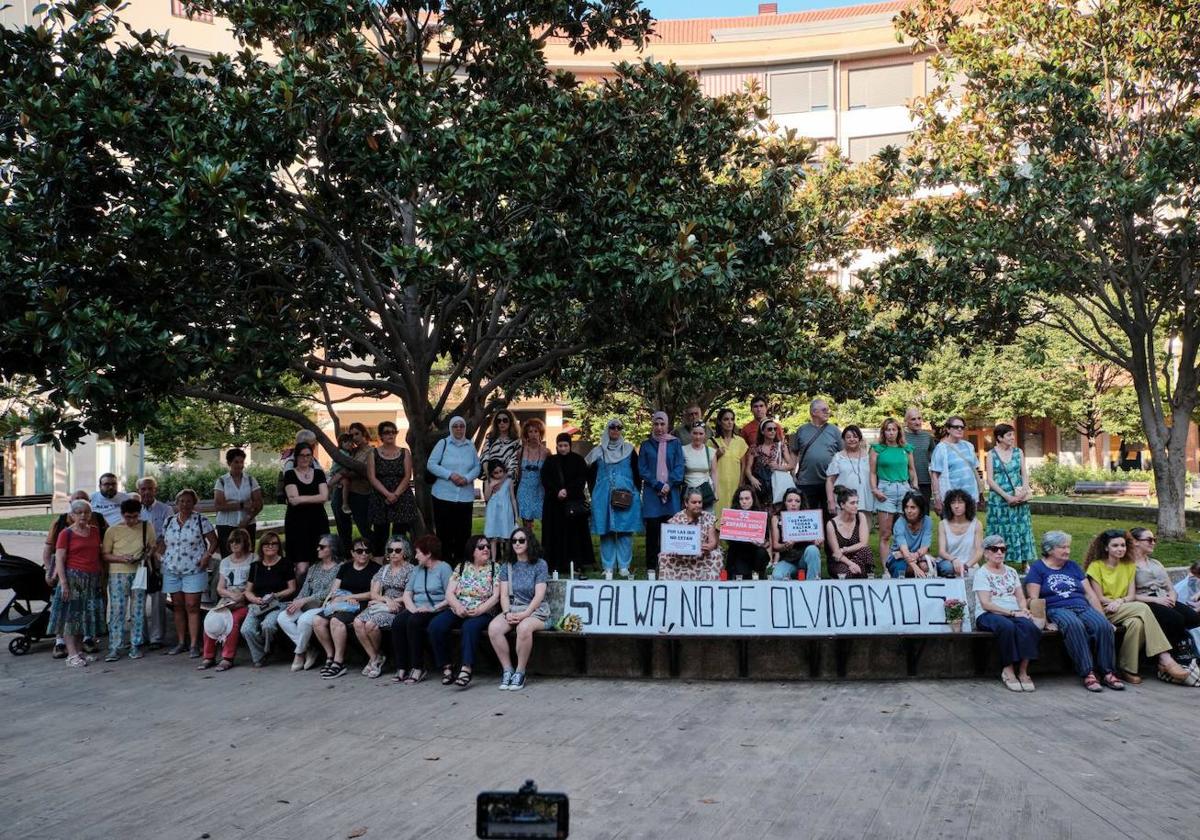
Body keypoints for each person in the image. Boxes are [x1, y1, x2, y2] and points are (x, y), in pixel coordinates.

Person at [1083, 529, 1190, 685]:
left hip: (1123, 606)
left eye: (1123, 545)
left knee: (1136, 624)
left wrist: (1120, 601)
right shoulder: (1096, 566)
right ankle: (1164, 657)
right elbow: (1099, 598)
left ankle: (1127, 668)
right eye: (1115, 546)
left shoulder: (1128, 565)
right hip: (1103, 610)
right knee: (1143, 608)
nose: (1120, 549)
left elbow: (1131, 595)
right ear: (1106, 548)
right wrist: (1117, 602)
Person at [1025, 530, 1122, 692]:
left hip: (1082, 606)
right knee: (1073, 625)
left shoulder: (1073, 566)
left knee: (1102, 627)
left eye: (1068, 547)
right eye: (1062, 547)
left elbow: (1090, 595)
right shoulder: (1037, 568)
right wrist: (1046, 623)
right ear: (1049, 549)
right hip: (1057, 608)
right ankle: (1088, 673)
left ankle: (1108, 672)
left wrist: (1104, 618)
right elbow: (1034, 599)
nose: (1067, 551)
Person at [428, 535, 501, 689]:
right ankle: (447, 666)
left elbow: (496, 596)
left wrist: (480, 609)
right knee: (435, 626)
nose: (486, 549)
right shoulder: (461, 567)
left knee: (469, 627)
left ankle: (466, 668)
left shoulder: (495, 568)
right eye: (481, 547)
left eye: (487, 546)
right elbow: (449, 593)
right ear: (472, 550)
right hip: (459, 608)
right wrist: (458, 607)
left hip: (483, 611)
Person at [43, 490, 107, 658]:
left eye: (86, 512)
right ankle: (72, 655)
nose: (83, 516)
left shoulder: (94, 531)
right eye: (78, 513)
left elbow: (98, 554)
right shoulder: (66, 533)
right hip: (73, 580)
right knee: (70, 619)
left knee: (83, 619)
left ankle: (79, 652)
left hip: (91, 580)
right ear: (72, 515)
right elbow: (59, 558)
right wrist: (63, 583)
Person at [972, 534, 1040, 692]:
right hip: (988, 614)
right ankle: (1008, 669)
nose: (999, 552)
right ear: (986, 553)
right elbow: (986, 604)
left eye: (1003, 549)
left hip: (1014, 612)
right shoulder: (982, 573)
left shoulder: (1011, 572)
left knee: (1029, 627)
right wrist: (1012, 613)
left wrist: (1023, 609)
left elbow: (1020, 597)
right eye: (995, 549)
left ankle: (1023, 671)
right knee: (1007, 627)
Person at [487, 527, 551, 691]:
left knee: (523, 628)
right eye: (514, 541)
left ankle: (520, 672)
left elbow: (539, 595)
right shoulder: (507, 565)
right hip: (513, 609)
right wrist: (507, 613)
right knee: (494, 628)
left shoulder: (540, 564)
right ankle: (507, 669)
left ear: (529, 542)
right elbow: (503, 595)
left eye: (521, 540)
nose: (517, 543)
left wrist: (525, 614)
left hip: (535, 610)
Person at [159, 489, 217, 657]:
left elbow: (213, 541)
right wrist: (158, 555)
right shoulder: (169, 521)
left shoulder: (201, 520)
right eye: (182, 501)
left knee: (192, 606)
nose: (185, 504)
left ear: (194, 503)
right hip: (172, 569)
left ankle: (193, 644)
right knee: (177, 606)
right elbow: (164, 542)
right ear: (177, 503)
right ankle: (181, 642)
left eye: (188, 501)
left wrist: (207, 556)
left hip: (194, 569)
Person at [311, 536, 379, 679]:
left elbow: (373, 593)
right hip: (341, 603)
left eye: (367, 551)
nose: (364, 554)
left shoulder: (375, 568)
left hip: (359, 604)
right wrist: (335, 598)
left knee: (336, 621)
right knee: (317, 620)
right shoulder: (345, 567)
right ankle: (329, 656)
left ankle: (339, 661)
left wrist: (351, 597)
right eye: (359, 551)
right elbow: (335, 589)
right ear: (352, 553)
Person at [1127, 528, 1200, 661]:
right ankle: (1167, 657)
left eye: (1154, 540)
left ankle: (1185, 650)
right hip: (1143, 601)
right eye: (1149, 540)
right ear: (1135, 542)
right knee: (1175, 619)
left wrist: (1172, 597)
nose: (1153, 543)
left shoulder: (1156, 563)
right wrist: (1158, 601)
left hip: (1164, 598)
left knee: (1193, 617)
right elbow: (1129, 595)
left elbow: (1170, 588)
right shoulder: (1127, 565)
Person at [390, 534, 453, 684]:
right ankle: (401, 667)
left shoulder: (444, 568)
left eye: (418, 552)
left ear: (428, 553)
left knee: (414, 622)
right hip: (417, 608)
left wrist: (432, 608)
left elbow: (450, 595)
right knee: (398, 622)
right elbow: (407, 593)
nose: (416, 556)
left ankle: (418, 667)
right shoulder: (418, 569)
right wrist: (412, 609)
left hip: (437, 608)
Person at [278, 532, 343, 672]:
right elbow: (306, 587)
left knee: (303, 620)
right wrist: (297, 601)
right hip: (307, 604)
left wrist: (304, 600)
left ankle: (299, 654)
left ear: (331, 549)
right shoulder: (314, 568)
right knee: (283, 617)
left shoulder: (339, 568)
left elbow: (329, 592)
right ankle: (308, 649)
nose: (317, 549)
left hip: (324, 605)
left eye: (322, 547)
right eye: (318, 547)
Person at [586, 419, 642, 577]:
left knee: (625, 531)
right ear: (607, 430)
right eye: (612, 427)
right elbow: (589, 474)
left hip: (627, 495)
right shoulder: (598, 451)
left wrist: (634, 491)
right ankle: (608, 567)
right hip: (603, 497)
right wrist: (595, 493)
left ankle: (624, 566)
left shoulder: (629, 450)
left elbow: (637, 473)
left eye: (619, 427)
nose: (615, 430)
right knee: (606, 531)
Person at [100, 498, 155, 662]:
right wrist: (121, 558)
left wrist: (147, 554)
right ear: (122, 514)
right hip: (118, 573)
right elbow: (105, 554)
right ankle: (114, 646)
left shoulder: (147, 526)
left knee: (138, 610)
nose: (132, 520)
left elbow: (153, 546)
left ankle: (135, 645)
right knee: (117, 611)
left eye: (135, 516)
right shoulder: (113, 530)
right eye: (128, 517)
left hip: (139, 572)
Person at [196, 527, 256, 672]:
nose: (234, 545)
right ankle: (208, 656)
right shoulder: (225, 562)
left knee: (233, 621)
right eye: (232, 542)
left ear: (245, 543)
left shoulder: (253, 559)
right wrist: (230, 595)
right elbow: (220, 588)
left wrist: (242, 595)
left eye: (238, 542)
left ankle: (227, 657)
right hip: (228, 598)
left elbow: (254, 583)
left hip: (245, 598)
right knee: (211, 618)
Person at [353, 536, 413, 678]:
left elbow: (410, 594)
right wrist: (386, 599)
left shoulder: (411, 570)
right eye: (390, 550)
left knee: (370, 625)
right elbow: (373, 593)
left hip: (400, 606)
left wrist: (392, 601)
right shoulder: (384, 569)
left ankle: (375, 660)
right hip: (383, 604)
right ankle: (375, 657)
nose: (393, 553)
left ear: (404, 552)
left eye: (397, 550)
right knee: (357, 622)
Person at [210, 448, 263, 604]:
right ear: (229, 463)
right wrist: (241, 505)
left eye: (241, 462)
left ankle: (248, 591)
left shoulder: (251, 480)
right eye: (236, 462)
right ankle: (226, 594)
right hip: (226, 524)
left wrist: (247, 519)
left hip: (247, 524)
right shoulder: (221, 481)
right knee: (229, 559)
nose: (239, 465)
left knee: (247, 556)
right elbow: (219, 505)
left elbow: (258, 503)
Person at [427, 416, 481, 566]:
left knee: (463, 533)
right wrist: (450, 475)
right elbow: (431, 464)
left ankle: (461, 565)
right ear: (451, 428)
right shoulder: (443, 443)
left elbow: (477, 467)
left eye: (461, 426)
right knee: (444, 533)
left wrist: (467, 478)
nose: (458, 429)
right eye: (455, 426)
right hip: (443, 496)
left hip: (464, 497)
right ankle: (444, 566)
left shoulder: (470, 446)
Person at [241, 531, 298, 668]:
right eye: (266, 543)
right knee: (246, 629)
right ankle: (260, 654)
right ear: (261, 547)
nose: (270, 546)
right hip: (258, 604)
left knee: (268, 626)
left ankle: (265, 651)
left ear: (279, 546)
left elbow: (292, 588)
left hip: (277, 603)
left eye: (274, 543)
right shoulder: (255, 566)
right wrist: (254, 599)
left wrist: (275, 595)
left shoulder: (285, 563)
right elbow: (247, 591)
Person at [541, 433, 594, 575]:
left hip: (573, 506)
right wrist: (557, 491)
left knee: (574, 536)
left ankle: (576, 563)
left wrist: (567, 491)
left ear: (570, 446)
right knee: (555, 535)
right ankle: (555, 564)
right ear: (556, 446)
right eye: (560, 446)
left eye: (565, 446)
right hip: (554, 506)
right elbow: (545, 479)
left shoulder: (578, 460)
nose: (563, 449)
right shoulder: (551, 461)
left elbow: (581, 479)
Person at [984, 423, 1035, 567]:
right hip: (999, 499)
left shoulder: (1018, 452)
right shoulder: (991, 454)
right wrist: (1007, 497)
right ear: (999, 438)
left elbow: (1023, 473)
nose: (1012, 438)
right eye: (1009, 435)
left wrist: (1024, 490)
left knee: (1021, 527)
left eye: (1012, 434)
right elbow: (990, 479)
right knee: (1000, 530)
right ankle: (999, 561)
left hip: (1019, 497)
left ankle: (1025, 561)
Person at [639, 412, 684, 571]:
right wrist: (658, 485)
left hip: (671, 494)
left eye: (662, 424)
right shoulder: (646, 445)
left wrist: (669, 484)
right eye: (656, 424)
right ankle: (651, 567)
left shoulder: (675, 443)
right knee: (652, 532)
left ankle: (669, 566)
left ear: (667, 425)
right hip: (653, 494)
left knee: (670, 532)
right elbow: (642, 469)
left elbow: (680, 467)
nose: (659, 428)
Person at [869, 418, 916, 570]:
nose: (891, 433)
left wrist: (913, 486)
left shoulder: (906, 449)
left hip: (904, 489)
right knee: (885, 533)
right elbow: (872, 472)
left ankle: (908, 566)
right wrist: (875, 490)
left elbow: (911, 469)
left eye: (893, 429)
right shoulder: (877, 449)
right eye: (887, 430)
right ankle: (886, 569)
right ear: (884, 432)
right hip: (886, 490)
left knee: (906, 530)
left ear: (898, 431)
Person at [366, 420, 417, 559]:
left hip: (402, 497)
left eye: (393, 431)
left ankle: (399, 563)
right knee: (380, 533)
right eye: (387, 432)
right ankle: (379, 563)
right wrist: (387, 494)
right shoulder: (373, 453)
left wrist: (395, 494)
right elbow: (372, 477)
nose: (390, 434)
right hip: (380, 496)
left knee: (399, 533)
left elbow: (407, 475)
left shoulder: (404, 452)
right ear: (381, 436)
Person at [282, 441, 330, 584]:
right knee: (301, 567)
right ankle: (297, 595)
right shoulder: (290, 474)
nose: (305, 458)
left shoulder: (319, 473)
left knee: (320, 562)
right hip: (297, 524)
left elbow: (324, 497)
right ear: (296, 457)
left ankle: (316, 594)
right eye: (302, 455)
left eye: (308, 455)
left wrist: (301, 498)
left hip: (318, 522)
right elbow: (293, 500)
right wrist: (315, 498)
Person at [137, 477, 173, 650]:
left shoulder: (166, 510)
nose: (146, 492)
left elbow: (168, 535)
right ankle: (140, 636)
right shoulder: (135, 510)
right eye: (143, 489)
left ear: (155, 490)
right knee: (138, 598)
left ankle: (156, 637)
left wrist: (156, 554)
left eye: (149, 489)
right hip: (138, 560)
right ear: (139, 491)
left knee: (158, 599)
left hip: (159, 558)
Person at [658, 489, 724, 581]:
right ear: (686, 503)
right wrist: (672, 549)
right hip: (681, 555)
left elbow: (713, 541)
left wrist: (709, 546)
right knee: (664, 556)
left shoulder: (708, 517)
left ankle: (710, 589)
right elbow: (669, 542)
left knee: (716, 554)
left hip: (702, 553)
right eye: (694, 502)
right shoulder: (677, 518)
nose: (697, 505)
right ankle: (671, 590)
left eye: (699, 502)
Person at [789, 399, 842, 512]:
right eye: (824, 410)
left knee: (829, 516)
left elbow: (844, 453)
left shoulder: (834, 430)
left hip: (829, 482)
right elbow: (794, 452)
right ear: (813, 412)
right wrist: (792, 473)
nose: (827, 412)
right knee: (807, 516)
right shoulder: (802, 430)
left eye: (827, 409)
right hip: (806, 482)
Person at [886, 492, 948, 579]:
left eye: (913, 507)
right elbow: (904, 550)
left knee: (925, 566)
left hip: (918, 556)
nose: (909, 511)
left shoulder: (927, 521)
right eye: (906, 507)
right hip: (899, 556)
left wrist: (916, 556)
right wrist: (915, 567)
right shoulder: (899, 523)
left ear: (920, 509)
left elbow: (925, 546)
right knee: (902, 569)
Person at [929, 416, 980, 514]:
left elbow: (974, 470)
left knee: (970, 527)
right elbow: (934, 476)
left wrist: (980, 492)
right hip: (952, 499)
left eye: (962, 427)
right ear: (948, 429)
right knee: (952, 528)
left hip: (971, 497)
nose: (960, 429)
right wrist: (937, 499)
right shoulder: (941, 448)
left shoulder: (969, 446)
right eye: (956, 427)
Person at [771, 488, 823, 580]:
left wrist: (818, 542)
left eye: (797, 501)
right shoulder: (777, 518)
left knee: (813, 549)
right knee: (777, 576)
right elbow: (775, 546)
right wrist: (786, 546)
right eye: (790, 501)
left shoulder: (810, 517)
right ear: (785, 503)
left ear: (801, 503)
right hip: (788, 559)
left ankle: (813, 587)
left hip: (805, 557)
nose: (793, 504)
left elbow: (819, 543)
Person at [825, 425, 873, 519]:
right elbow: (830, 480)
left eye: (855, 437)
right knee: (844, 531)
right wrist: (830, 501)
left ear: (859, 438)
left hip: (865, 501)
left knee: (864, 531)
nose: (852, 439)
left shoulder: (868, 457)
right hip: (844, 502)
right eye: (848, 437)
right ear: (843, 439)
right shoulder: (838, 457)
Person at [826, 487, 874, 578]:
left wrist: (845, 549)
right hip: (840, 560)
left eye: (857, 502)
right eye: (852, 503)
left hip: (857, 556)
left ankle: (867, 580)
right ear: (842, 505)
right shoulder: (832, 524)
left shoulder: (860, 517)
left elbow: (863, 543)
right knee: (848, 573)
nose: (856, 506)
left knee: (866, 550)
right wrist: (851, 564)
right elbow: (836, 553)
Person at [745, 419, 793, 508]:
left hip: (776, 483)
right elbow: (748, 468)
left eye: (775, 429)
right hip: (760, 484)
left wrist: (778, 467)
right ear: (762, 431)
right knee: (760, 509)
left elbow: (791, 465)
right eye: (770, 429)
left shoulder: (781, 446)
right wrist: (752, 478)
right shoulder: (755, 448)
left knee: (776, 508)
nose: (773, 431)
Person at [712, 408, 749, 520]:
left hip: (735, 483)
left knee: (735, 516)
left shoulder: (740, 441)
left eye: (732, 419)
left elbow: (744, 465)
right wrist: (717, 455)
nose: (730, 422)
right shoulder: (712, 441)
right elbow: (708, 465)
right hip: (718, 485)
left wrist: (741, 483)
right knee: (718, 516)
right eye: (726, 419)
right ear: (719, 421)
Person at [725, 487, 770, 580]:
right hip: (738, 552)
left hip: (755, 552)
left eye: (747, 498)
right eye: (741, 499)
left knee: (762, 552)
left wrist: (762, 543)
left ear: (753, 499)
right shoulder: (732, 516)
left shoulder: (761, 516)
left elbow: (767, 541)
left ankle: (760, 577)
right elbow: (728, 540)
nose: (744, 502)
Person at [937, 489, 982, 577]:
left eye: (960, 502)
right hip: (949, 562)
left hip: (969, 564)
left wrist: (966, 566)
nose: (956, 506)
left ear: (967, 505)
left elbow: (979, 552)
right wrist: (954, 560)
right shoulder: (942, 524)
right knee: (948, 567)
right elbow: (941, 552)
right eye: (953, 503)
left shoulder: (976, 524)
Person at [515, 418, 549, 531]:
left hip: (540, 489)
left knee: (546, 522)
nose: (533, 434)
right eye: (530, 431)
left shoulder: (546, 452)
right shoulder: (520, 451)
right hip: (524, 489)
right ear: (526, 434)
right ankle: (529, 547)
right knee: (527, 526)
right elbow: (517, 471)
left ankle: (546, 547)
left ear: (540, 433)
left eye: (536, 431)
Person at [483, 459, 518, 557]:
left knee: (507, 536)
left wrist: (516, 514)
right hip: (493, 511)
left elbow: (513, 498)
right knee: (493, 537)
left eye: (500, 471)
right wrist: (492, 484)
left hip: (506, 511)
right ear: (491, 473)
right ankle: (494, 560)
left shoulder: (508, 481)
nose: (499, 474)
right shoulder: (488, 481)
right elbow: (486, 497)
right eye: (495, 473)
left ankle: (507, 559)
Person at [681, 423, 718, 512]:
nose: (698, 437)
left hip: (705, 491)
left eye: (701, 434)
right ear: (691, 433)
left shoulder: (711, 451)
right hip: (688, 490)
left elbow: (714, 472)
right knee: (688, 521)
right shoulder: (683, 450)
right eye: (695, 433)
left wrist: (716, 492)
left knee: (707, 520)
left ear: (705, 435)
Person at [480, 409, 522, 478]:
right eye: (499, 421)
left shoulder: (516, 441)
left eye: (505, 420)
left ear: (510, 422)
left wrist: (505, 479)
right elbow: (485, 456)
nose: (501, 423)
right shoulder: (490, 438)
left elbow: (514, 462)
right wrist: (488, 476)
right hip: (491, 478)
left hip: (508, 480)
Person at [904, 407, 935, 501]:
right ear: (906, 421)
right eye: (913, 419)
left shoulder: (928, 437)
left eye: (919, 418)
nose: (917, 422)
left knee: (924, 512)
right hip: (905, 481)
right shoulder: (900, 437)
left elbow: (933, 458)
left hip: (925, 481)